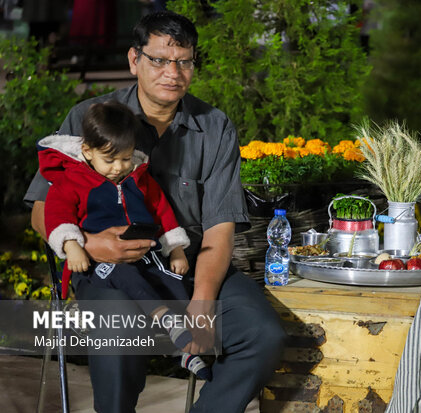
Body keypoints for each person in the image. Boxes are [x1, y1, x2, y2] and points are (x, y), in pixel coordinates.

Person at [24, 10, 286, 413]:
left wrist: (201, 301)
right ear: (135, 60)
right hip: (108, 270)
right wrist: (92, 244)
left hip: (189, 266)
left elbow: (219, 229)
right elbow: (43, 210)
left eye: (184, 61)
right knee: (115, 329)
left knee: (262, 334)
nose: (173, 72)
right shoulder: (88, 119)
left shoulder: (215, 128)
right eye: (160, 60)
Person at [38, 101, 211, 380]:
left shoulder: (138, 177)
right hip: (97, 264)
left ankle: (186, 349)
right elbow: (57, 216)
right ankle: (164, 316)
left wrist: (176, 248)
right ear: (87, 151)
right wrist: (73, 246)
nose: (119, 167)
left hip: (143, 254)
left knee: (174, 281)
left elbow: (162, 209)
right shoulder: (70, 181)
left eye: (126, 158)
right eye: (110, 160)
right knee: (127, 277)